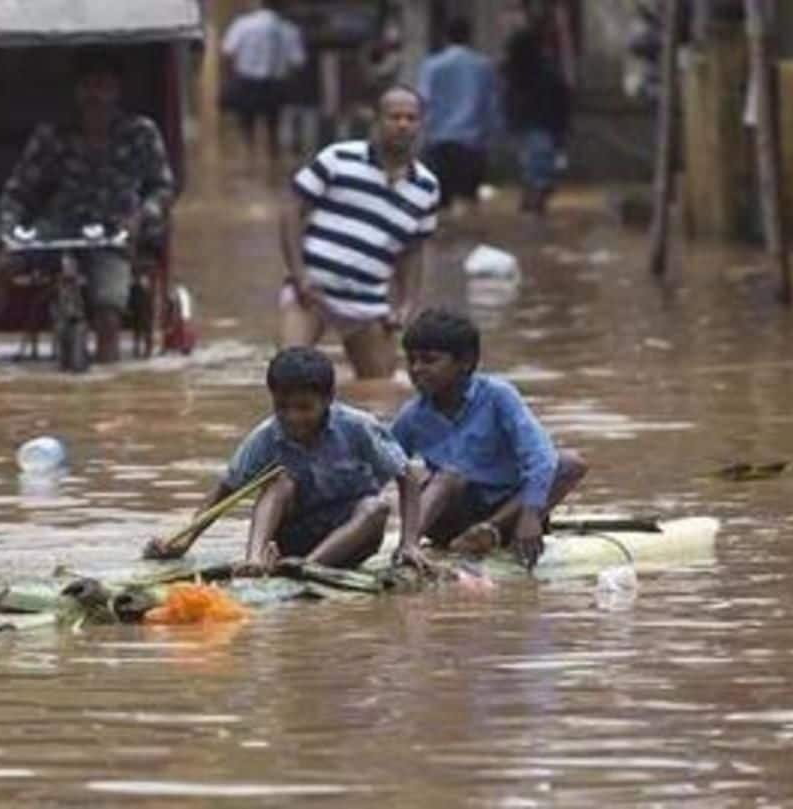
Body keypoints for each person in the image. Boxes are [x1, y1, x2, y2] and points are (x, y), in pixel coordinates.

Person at [0, 51, 176, 365]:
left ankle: (108, 382)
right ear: (77, 91)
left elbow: (163, 187)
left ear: (117, 91)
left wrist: (141, 218)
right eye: (88, 87)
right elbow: (18, 189)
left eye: (104, 87)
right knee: (5, 266)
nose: (96, 96)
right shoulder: (53, 134)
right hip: (58, 226)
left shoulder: (141, 133)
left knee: (108, 310)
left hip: (114, 232)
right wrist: (8, 228)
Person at [145, 347, 424, 571]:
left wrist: (409, 544)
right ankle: (254, 560)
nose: (293, 418)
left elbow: (407, 475)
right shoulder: (266, 436)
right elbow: (226, 491)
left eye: (304, 408)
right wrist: (183, 541)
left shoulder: (358, 427)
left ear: (328, 400)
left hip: (350, 540)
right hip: (290, 540)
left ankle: (310, 566)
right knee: (280, 481)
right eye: (283, 407)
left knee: (377, 506)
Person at [387, 308, 587, 570]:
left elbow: (540, 458)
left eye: (429, 360)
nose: (416, 369)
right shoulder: (412, 416)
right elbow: (379, 467)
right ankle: (409, 548)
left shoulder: (498, 396)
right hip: (451, 518)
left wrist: (530, 515)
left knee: (569, 463)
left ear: (466, 362)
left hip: (506, 516)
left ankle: (486, 533)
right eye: (411, 361)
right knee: (446, 477)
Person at [279, 85, 440, 380]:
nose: (403, 124)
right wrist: (299, 275)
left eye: (410, 118)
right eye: (394, 117)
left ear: (420, 124)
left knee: (380, 390)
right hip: (312, 291)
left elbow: (413, 252)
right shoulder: (338, 158)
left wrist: (406, 305)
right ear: (377, 121)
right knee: (289, 376)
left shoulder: (427, 187)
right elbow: (291, 210)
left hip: (368, 301)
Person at [417, 17, 499, 215]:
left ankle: (445, 243)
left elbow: (423, 102)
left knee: (438, 206)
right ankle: (467, 242)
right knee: (468, 202)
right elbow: (491, 106)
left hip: (439, 143)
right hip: (472, 143)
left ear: (446, 37)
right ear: (469, 37)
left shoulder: (433, 66)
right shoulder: (483, 66)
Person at [221, 0, 306, 160]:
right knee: (274, 129)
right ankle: (272, 164)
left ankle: (248, 160)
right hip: (276, 84)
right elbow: (297, 62)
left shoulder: (243, 25)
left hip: (246, 82)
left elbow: (227, 53)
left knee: (246, 128)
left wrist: (230, 78)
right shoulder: (289, 30)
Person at [501, 28, 571, 216]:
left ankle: (531, 206)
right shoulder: (548, 71)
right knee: (539, 174)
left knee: (531, 172)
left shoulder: (513, 73)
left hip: (524, 127)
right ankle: (535, 207)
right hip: (543, 128)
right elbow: (562, 101)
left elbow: (508, 101)